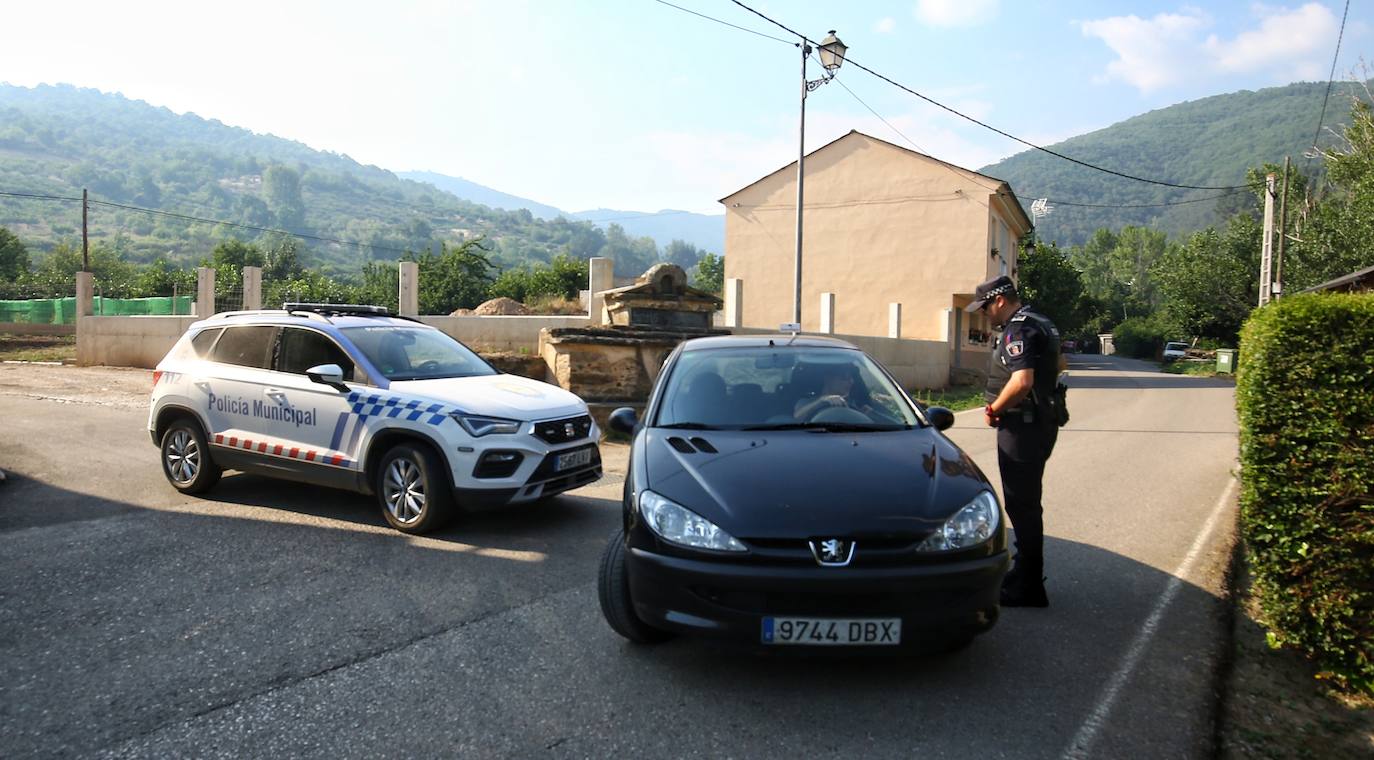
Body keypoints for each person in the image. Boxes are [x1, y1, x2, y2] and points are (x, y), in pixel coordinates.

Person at [965, 275, 1065, 607]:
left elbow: (1022, 381)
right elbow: (1060, 366)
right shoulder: (1041, 321)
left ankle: (1029, 586)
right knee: (1026, 503)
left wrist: (995, 408)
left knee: (1021, 505)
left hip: (1022, 427)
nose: (984, 315)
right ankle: (1024, 574)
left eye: (985, 308)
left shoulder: (1018, 329)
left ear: (999, 300)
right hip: (1039, 423)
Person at [793, 364, 869, 420]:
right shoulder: (807, 402)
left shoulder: (852, 403)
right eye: (845, 377)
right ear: (828, 379)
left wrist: (862, 415)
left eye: (852, 378)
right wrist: (821, 401)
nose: (851, 382)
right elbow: (797, 417)